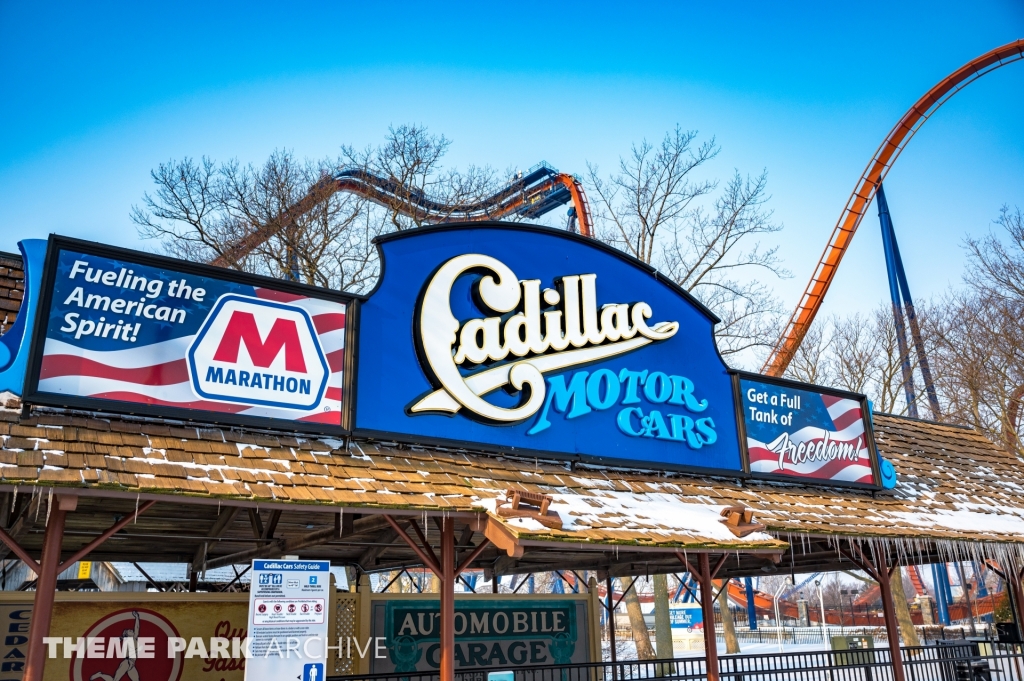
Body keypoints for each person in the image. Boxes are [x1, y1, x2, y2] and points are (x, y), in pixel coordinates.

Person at [90, 611, 141, 681]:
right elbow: (137, 628)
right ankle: (100, 675)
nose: (131, 630)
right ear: (127, 635)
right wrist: (137, 617)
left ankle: (100, 674)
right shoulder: (131, 639)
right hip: (127, 663)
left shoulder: (132, 639)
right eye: (129, 630)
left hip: (132, 665)